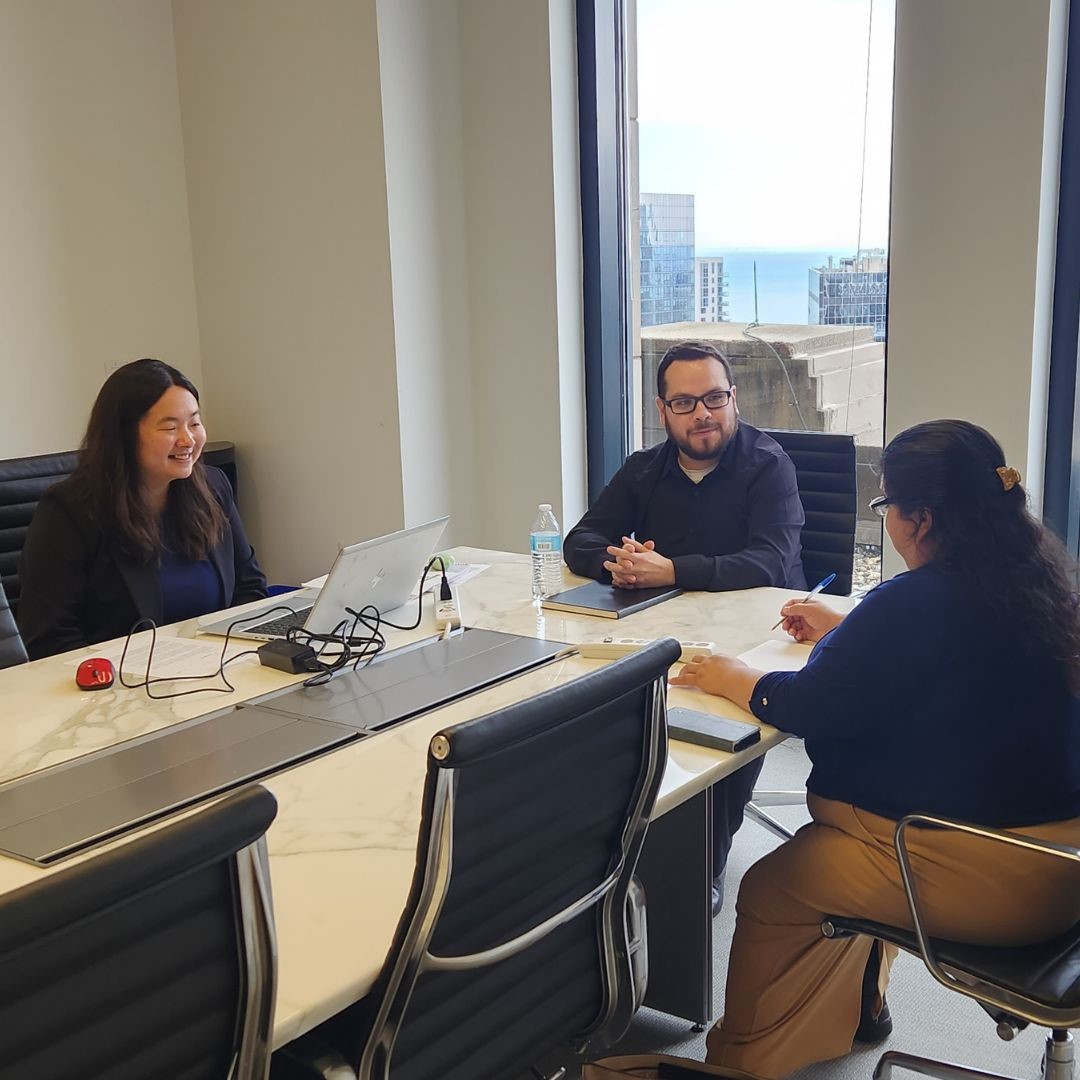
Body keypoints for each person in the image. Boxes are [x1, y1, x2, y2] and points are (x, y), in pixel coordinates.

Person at [670, 419, 1080, 1079]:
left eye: (887, 506)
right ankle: (864, 1007)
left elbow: (814, 708)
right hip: (1061, 857)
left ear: (919, 517)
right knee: (842, 846)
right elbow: (944, 654)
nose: (887, 521)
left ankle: (738, 1065)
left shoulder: (916, 602)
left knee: (775, 885)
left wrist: (733, 677)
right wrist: (855, 625)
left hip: (991, 872)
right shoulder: (1038, 586)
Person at [564, 339, 808, 913]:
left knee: (725, 722)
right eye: (686, 402)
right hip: (661, 627)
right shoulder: (644, 469)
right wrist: (618, 563)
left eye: (715, 398)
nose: (703, 413)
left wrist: (670, 569)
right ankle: (607, 847)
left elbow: (770, 561)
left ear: (734, 398)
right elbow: (581, 540)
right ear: (662, 410)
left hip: (761, 631)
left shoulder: (768, 465)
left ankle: (705, 862)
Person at [18, 358, 267, 660]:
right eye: (170, 427)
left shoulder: (213, 486)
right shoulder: (69, 511)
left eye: (194, 423)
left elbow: (249, 588)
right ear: (123, 435)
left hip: (218, 675)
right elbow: (50, 641)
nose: (188, 439)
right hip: (120, 692)